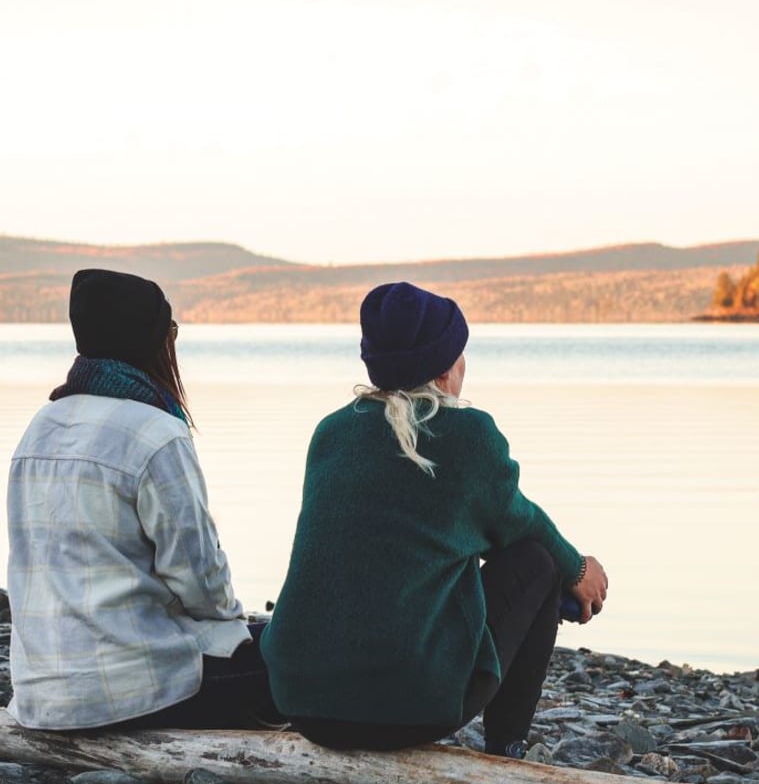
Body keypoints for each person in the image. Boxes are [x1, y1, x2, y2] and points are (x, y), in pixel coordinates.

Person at [261, 280, 608, 755]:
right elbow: (521, 525)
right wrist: (580, 570)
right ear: (446, 369)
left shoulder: (332, 431)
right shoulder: (467, 434)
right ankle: (506, 747)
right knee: (537, 562)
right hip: (409, 710)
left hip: (302, 701)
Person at [7, 267, 275, 731]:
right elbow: (199, 580)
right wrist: (235, 632)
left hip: (39, 691)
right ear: (152, 341)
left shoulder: (40, 426)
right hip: (132, 692)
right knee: (290, 654)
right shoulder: (157, 433)